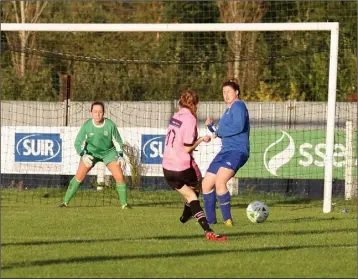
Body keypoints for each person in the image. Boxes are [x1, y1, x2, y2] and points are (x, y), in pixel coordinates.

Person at [162, 90, 228, 241]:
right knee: (199, 185)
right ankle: (198, 221)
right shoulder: (190, 119)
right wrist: (201, 139)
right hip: (181, 166)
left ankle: (192, 219)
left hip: (167, 167)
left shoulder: (175, 116)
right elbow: (187, 148)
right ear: (194, 104)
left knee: (190, 194)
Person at [59, 101, 130, 209]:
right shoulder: (87, 126)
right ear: (91, 112)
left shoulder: (110, 124)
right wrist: (83, 154)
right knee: (79, 176)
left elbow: (118, 141)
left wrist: (120, 155)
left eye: (100, 112)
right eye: (95, 111)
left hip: (109, 153)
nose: (98, 114)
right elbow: (77, 142)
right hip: (90, 154)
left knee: (119, 176)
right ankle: (64, 202)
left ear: (104, 113)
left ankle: (125, 205)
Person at [202, 79, 250, 226]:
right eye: (224, 92)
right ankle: (210, 222)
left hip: (237, 150)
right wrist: (211, 128)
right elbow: (222, 132)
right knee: (206, 184)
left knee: (220, 180)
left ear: (236, 92)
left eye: (229, 91)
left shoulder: (239, 105)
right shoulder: (227, 110)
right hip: (225, 151)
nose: (226, 95)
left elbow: (238, 127)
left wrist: (218, 132)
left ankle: (227, 220)